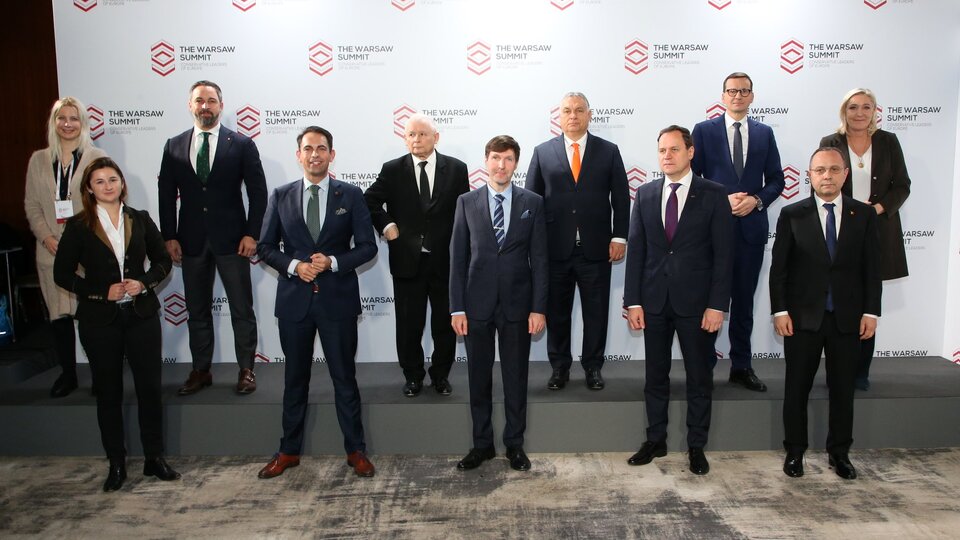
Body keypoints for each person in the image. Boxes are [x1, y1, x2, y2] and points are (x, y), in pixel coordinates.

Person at [257, 126, 377, 479]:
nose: (315, 154)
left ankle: (356, 450)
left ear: (331, 155)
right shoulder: (280, 195)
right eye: (308, 148)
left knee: (344, 379)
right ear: (299, 155)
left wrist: (333, 262)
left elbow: (367, 247)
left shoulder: (351, 195)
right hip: (294, 303)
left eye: (321, 148)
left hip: (337, 302)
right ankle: (288, 451)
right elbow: (265, 247)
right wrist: (295, 266)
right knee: (295, 380)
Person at [53, 157, 179, 492]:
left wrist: (144, 283)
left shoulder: (140, 218)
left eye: (113, 179)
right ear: (89, 189)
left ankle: (154, 458)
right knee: (108, 392)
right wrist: (99, 292)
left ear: (122, 183)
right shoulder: (78, 225)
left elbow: (163, 260)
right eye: (100, 181)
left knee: (149, 389)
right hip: (99, 321)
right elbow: (61, 274)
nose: (108, 186)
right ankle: (117, 463)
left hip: (141, 316)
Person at [623, 126, 734, 476]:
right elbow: (636, 251)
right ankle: (655, 440)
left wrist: (717, 305)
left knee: (699, 377)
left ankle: (696, 445)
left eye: (674, 149)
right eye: (662, 150)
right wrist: (633, 301)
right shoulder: (645, 193)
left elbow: (724, 256)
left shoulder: (714, 194)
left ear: (690, 152)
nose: (667, 156)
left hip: (697, 306)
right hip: (654, 302)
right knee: (655, 376)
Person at [770, 147, 881, 480]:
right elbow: (779, 270)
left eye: (834, 169)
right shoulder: (792, 214)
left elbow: (871, 269)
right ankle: (795, 452)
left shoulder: (864, 215)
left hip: (847, 319)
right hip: (802, 319)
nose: (827, 176)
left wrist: (871, 312)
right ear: (810, 176)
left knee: (843, 390)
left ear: (845, 174)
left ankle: (840, 453)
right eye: (819, 170)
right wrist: (780, 311)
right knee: (796, 388)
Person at [158, 80, 267, 395]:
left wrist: (252, 234)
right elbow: (166, 195)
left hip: (233, 241)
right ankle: (200, 370)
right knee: (197, 311)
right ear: (190, 105)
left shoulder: (242, 144)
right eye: (199, 101)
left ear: (221, 105)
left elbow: (258, 194)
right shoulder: (174, 145)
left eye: (211, 100)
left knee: (241, 310)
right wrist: (169, 236)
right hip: (190, 242)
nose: (205, 106)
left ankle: (246, 370)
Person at [450, 135, 548, 472]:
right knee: (478, 379)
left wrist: (538, 308)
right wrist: (457, 308)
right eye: (495, 158)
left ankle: (514, 445)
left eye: (507, 159)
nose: (501, 165)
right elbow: (457, 258)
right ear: (486, 161)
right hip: (476, 306)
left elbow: (540, 260)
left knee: (515, 378)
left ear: (516, 163)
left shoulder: (533, 202)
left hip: (518, 306)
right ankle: (482, 445)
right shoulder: (466, 202)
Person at [525, 92, 630, 391]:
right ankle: (559, 367)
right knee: (557, 313)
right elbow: (530, 202)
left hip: (596, 249)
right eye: (567, 110)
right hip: (554, 250)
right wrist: (534, 246)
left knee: (596, 313)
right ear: (559, 117)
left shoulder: (608, 151)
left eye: (579, 110)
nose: (573, 115)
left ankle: (593, 367)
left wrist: (619, 236)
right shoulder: (542, 152)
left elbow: (621, 198)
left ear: (589, 115)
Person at [691, 72, 785, 392]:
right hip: (712, 233)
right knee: (710, 301)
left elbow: (777, 179)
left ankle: (741, 366)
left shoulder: (764, 133)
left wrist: (756, 201)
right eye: (732, 91)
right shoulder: (703, 131)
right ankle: (704, 367)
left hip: (751, 231)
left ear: (752, 96)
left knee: (744, 303)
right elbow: (692, 180)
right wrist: (721, 201)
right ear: (723, 96)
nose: (737, 96)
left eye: (744, 91)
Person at [364, 114, 469, 397]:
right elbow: (369, 200)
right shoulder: (392, 169)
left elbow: (464, 212)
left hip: (445, 262)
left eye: (422, 134)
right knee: (409, 325)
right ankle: (412, 376)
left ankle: (441, 376)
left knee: (444, 324)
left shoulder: (456, 169)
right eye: (411, 134)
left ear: (436, 137)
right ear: (404, 138)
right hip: (407, 261)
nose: (417, 139)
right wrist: (386, 224)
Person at [819, 88, 910, 391]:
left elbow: (902, 185)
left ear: (874, 111)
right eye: (853, 107)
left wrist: (877, 209)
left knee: (867, 301)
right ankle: (836, 370)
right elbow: (823, 184)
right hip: (839, 230)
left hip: (877, 230)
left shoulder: (888, 141)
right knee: (838, 301)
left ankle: (860, 372)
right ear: (844, 111)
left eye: (866, 107)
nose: (859, 113)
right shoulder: (830, 142)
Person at [24, 97, 107, 397]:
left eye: (74, 118)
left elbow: (105, 200)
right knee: (59, 318)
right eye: (62, 118)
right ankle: (68, 375)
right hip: (50, 251)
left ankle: (100, 375)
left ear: (83, 123)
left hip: (86, 252)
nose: (68, 124)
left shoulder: (96, 157)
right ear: (54, 122)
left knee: (91, 318)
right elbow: (32, 205)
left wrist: (80, 242)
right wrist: (46, 236)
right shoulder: (38, 160)